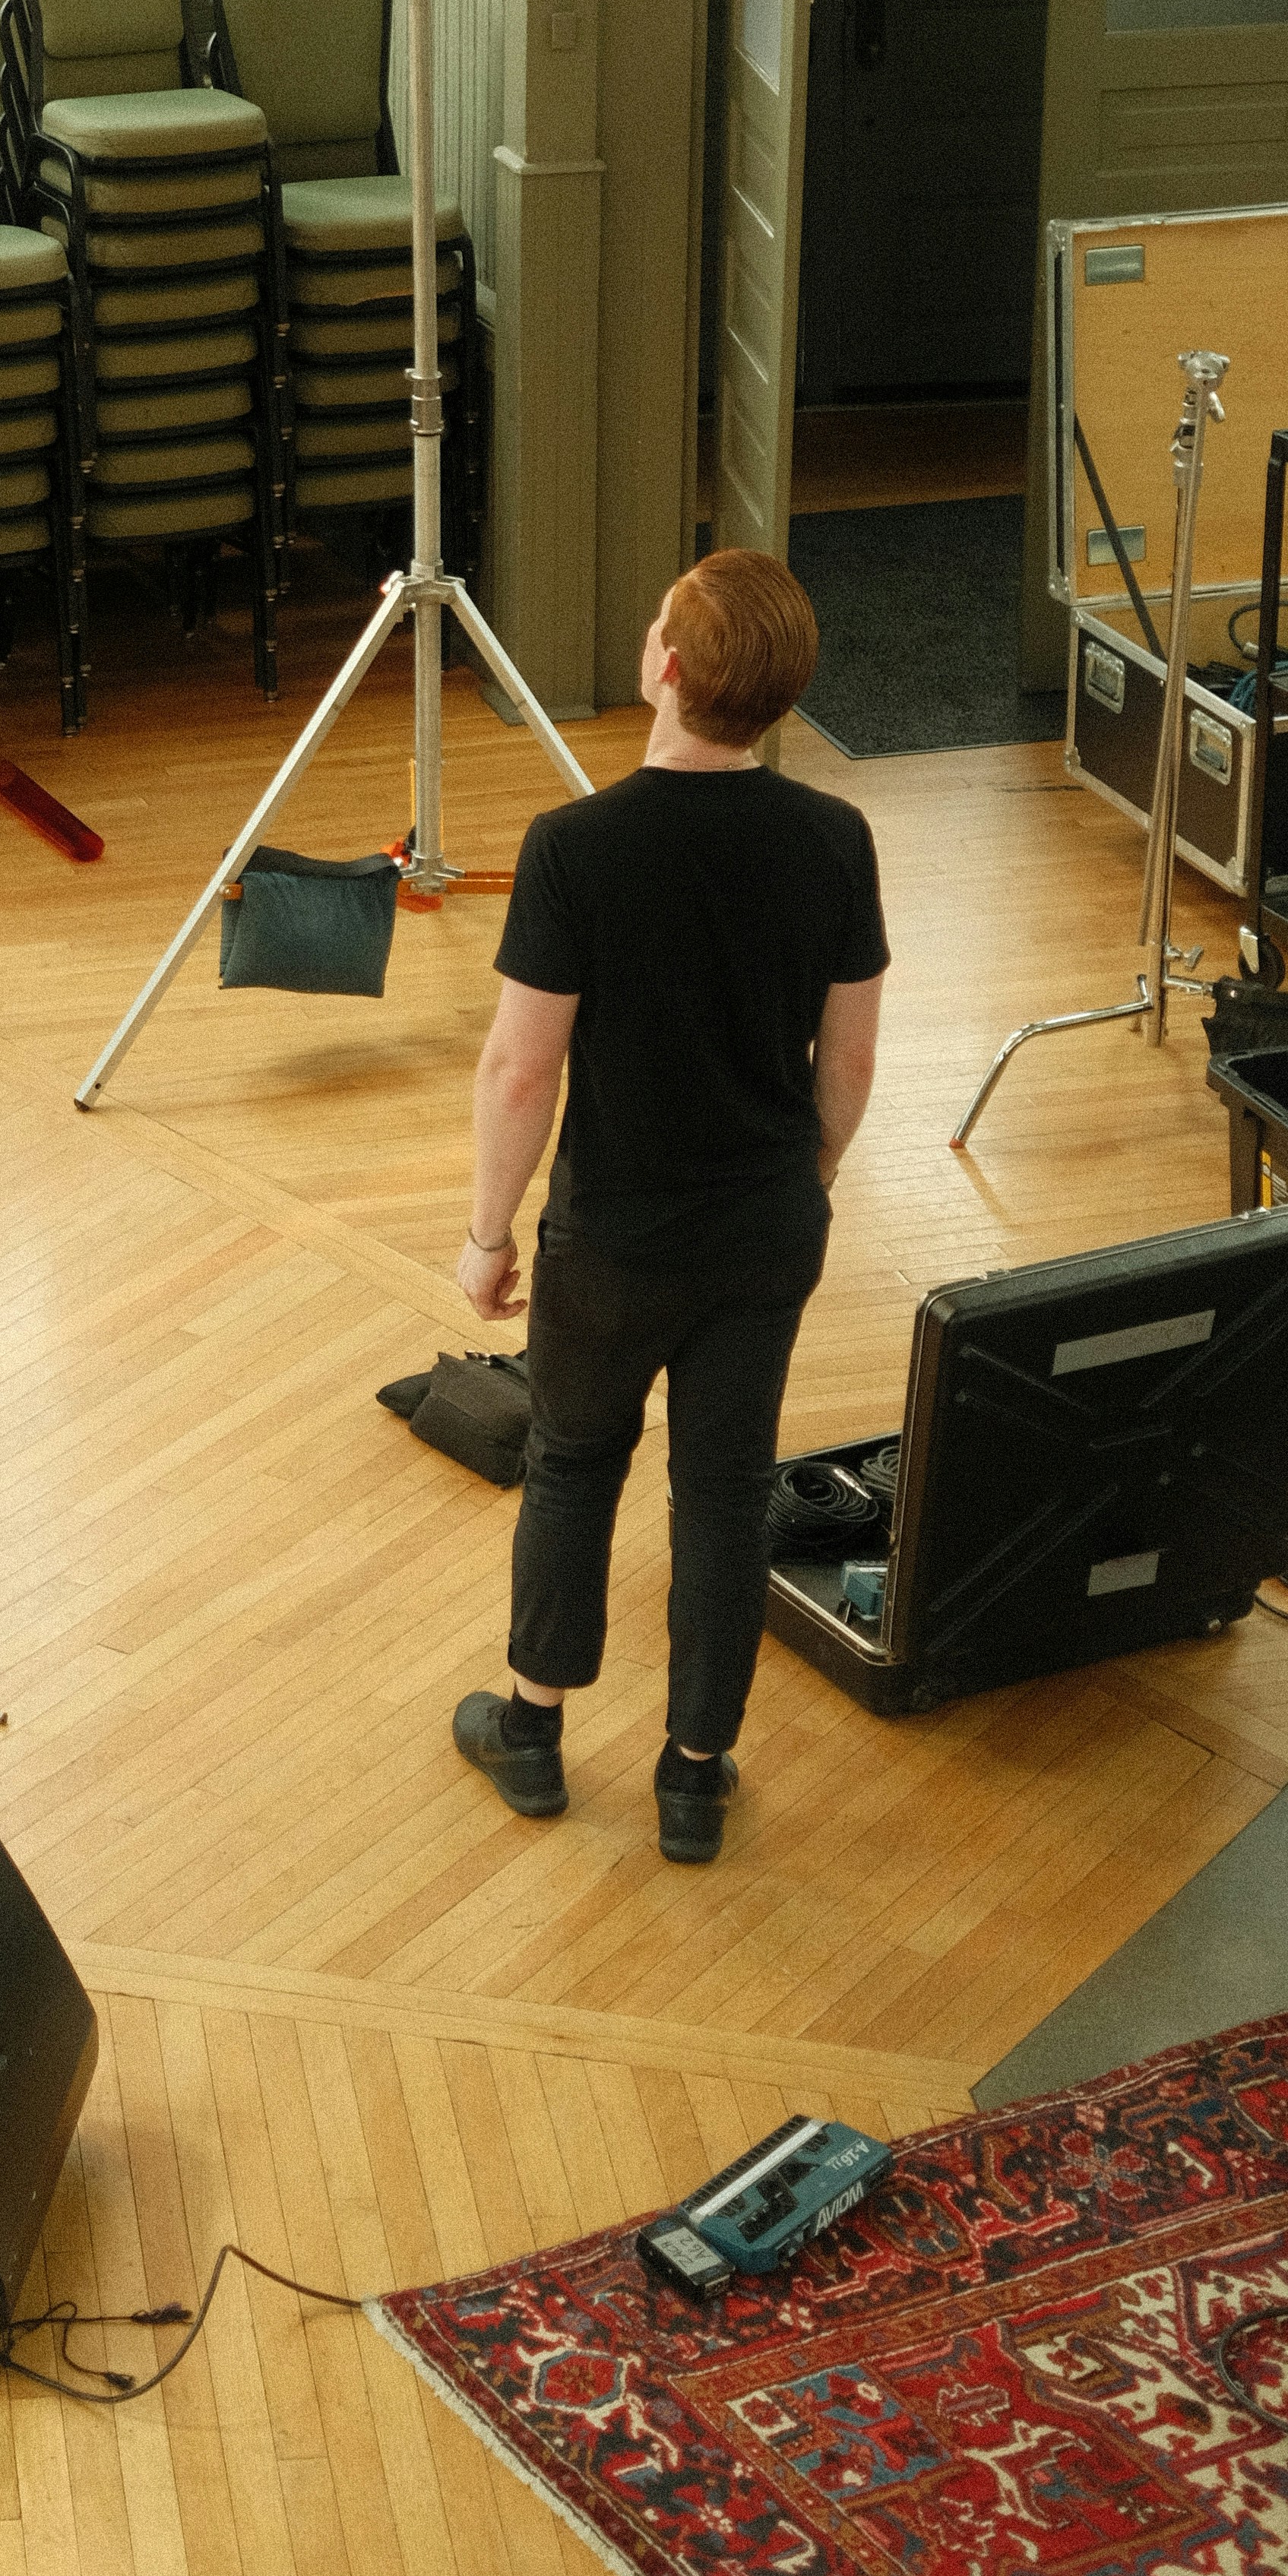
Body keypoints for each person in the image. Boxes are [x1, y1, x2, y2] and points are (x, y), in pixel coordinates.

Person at [448, 548, 886, 1864]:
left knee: (575, 1462)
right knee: (724, 1487)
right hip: (762, 1229)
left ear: (669, 670)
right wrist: (795, 1184)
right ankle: (695, 1775)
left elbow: (523, 1067)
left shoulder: (578, 848)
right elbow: (849, 1061)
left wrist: (486, 1235)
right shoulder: (836, 838)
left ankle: (532, 1735)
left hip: (616, 1234)